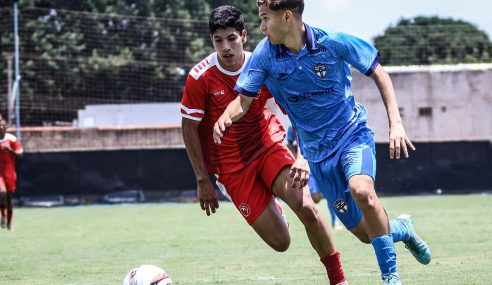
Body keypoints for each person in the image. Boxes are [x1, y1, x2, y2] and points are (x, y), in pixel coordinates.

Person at [213, 1, 432, 284]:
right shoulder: (266, 55)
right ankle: (403, 228)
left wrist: (396, 124)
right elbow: (242, 101)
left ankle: (390, 277)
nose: (262, 27)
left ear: (287, 17)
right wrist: (225, 117)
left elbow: (379, 71)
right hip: (319, 157)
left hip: (353, 135)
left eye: (266, 18)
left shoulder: (333, 42)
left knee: (362, 191)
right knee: (367, 234)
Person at [181, 5, 347, 284]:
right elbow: (189, 129)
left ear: (244, 36)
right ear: (211, 42)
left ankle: (338, 279)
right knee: (281, 242)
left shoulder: (264, 63)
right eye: (218, 40)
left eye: (231, 38)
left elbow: (297, 111)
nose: (226, 47)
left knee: (306, 207)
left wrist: (302, 155)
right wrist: (202, 179)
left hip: (267, 144)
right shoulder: (200, 78)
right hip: (231, 167)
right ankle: (273, 204)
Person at [286, 125, 341, 230]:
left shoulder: (320, 121)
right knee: (316, 198)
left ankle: (335, 222)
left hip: (323, 161)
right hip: (308, 166)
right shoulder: (293, 126)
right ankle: (314, 220)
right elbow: (289, 143)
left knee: (330, 194)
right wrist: (296, 157)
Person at [0, 118, 23, 231]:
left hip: (9, 173)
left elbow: (20, 155)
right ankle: (3, 215)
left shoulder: (11, 139)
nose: (0, 127)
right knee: (2, 192)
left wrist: (10, 150)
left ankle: (9, 223)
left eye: (2, 125)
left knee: (8, 199)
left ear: (6, 128)